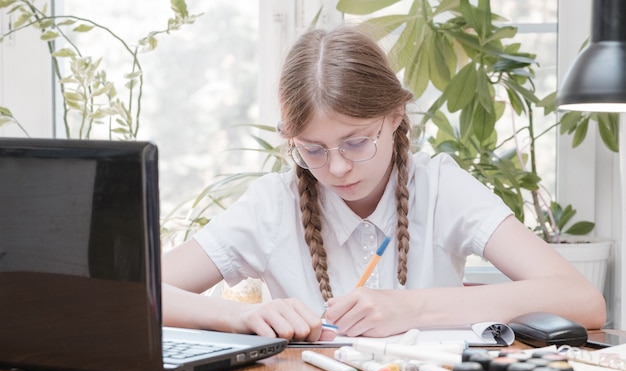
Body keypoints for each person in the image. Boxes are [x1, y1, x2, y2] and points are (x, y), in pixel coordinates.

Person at [161, 25, 606, 342]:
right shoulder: (275, 204)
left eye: (356, 143)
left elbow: (581, 299)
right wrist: (242, 317)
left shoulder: (439, 188)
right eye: (312, 150)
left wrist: (412, 309)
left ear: (395, 118)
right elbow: (140, 294)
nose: (336, 169)